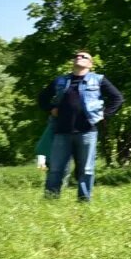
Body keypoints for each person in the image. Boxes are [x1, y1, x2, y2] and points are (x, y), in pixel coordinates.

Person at [38, 51, 124, 200]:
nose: (79, 57)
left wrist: (104, 115)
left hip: (87, 132)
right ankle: (50, 200)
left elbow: (117, 98)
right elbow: (42, 97)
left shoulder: (98, 80)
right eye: (77, 56)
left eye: (84, 57)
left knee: (87, 169)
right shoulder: (60, 81)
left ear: (90, 64)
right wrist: (51, 109)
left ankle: (84, 201)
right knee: (55, 169)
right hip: (61, 132)